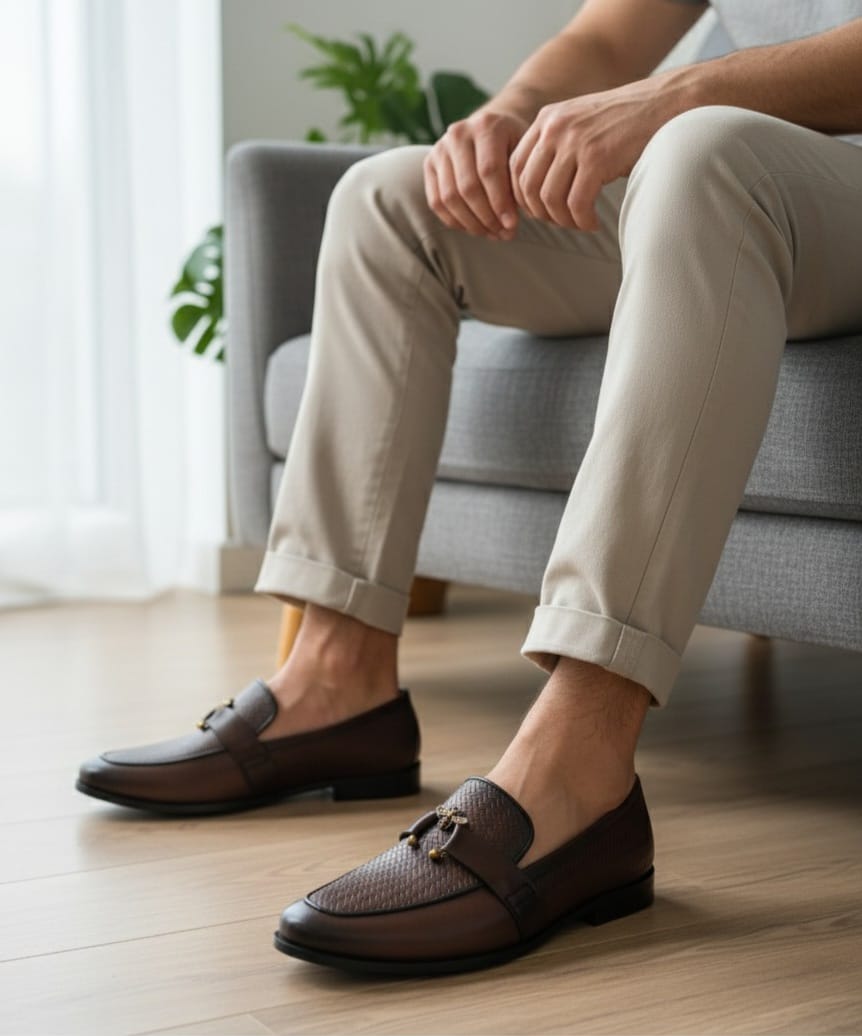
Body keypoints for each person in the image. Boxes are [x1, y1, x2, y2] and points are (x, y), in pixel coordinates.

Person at [76, 0, 862, 975]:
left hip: (783, 161)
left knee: (702, 153)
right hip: (716, 153)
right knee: (390, 198)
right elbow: (610, 35)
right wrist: (512, 116)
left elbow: (668, 91)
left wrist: (672, 96)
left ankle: (581, 767)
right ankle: (337, 682)